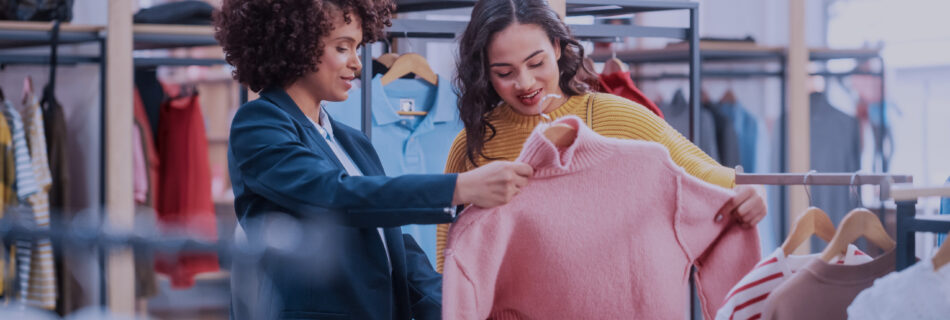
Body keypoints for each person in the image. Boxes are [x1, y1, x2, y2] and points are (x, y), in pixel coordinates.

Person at [214, 0, 532, 319]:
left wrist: (465, 307)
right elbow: (332, 196)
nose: (358, 63)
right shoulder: (259, 123)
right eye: (343, 47)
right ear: (294, 45)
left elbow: (393, 246)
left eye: (358, 47)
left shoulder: (353, 142)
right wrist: (458, 188)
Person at [434, 0, 768, 271]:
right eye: (504, 73)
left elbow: (708, 176)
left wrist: (746, 190)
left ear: (557, 46)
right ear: (483, 71)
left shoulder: (615, 115)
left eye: (536, 63)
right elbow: (447, 258)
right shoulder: (470, 145)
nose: (524, 83)